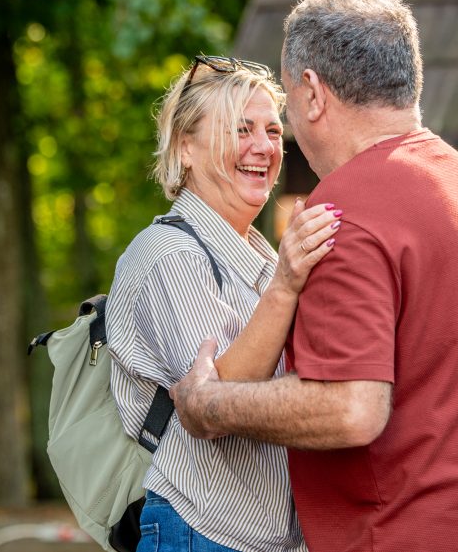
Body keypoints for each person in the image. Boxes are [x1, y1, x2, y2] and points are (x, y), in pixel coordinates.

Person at [171, 0, 458, 552]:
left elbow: (353, 409)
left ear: (311, 93)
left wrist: (209, 405)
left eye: (284, 98)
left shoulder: (343, 211)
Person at [107, 55, 342, 552]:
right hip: (203, 532)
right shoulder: (166, 255)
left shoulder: (257, 253)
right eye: (241, 129)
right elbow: (219, 402)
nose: (263, 147)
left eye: (274, 131)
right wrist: (286, 284)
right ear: (185, 147)